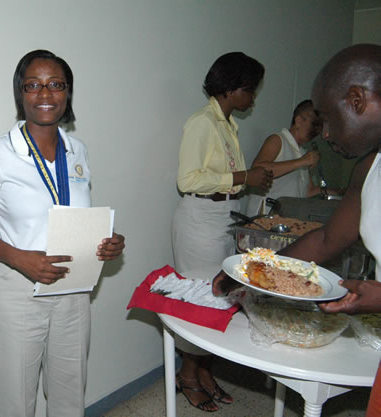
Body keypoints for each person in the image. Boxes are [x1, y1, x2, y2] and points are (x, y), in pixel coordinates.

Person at [213, 43, 381, 417]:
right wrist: (251, 273)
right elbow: (326, 240)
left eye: (326, 118)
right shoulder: (368, 169)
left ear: (356, 100)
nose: (324, 133)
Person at [0, 49, 125, 417]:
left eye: (56, 85)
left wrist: (108, 240)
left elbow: (75, 213)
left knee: (70, 392)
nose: (45, 94)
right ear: (20, 94)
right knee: (16, 400)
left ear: (67, 93)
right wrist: (21, 258)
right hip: (18, 289)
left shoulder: (77, 149)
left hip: (73, 288)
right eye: (33, 85)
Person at [171, 51, 272, 412]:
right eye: (250, 90)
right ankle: (188, 375)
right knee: (200, 298)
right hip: (201, 217)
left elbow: (228, 176)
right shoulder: (202, 122)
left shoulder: (227, 123)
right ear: (232, 88)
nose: (253, 98)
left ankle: (204, 372)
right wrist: (244, 177)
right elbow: (187, 179)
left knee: (220, 297)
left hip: (224, 215)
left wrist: (244, 185)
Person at [245, 100, 323, 216]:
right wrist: (302, 161)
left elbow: (309, 191)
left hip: (288, 221)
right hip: (265, 220)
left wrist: (339, 192)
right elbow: (257, 169)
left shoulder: (302, 152)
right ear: (299, 120)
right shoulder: (277, 140)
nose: (317, 130)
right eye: (314, 124)